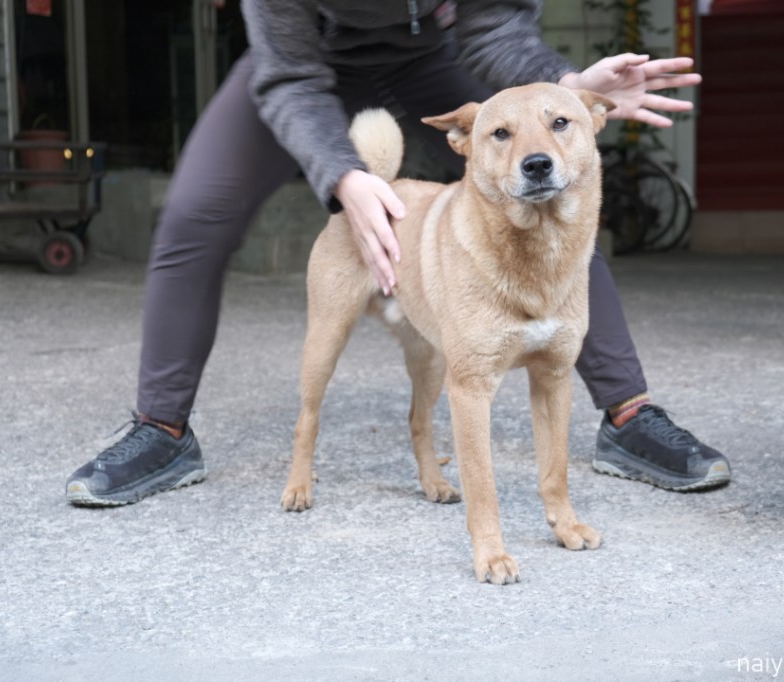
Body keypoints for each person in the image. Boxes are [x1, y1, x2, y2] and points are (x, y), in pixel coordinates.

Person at [65, 0, 731, 507]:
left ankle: (628, 413)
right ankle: (163, 428)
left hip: (429, 55)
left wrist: (563, 85)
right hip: (305, 63)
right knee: (194, 215)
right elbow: (290, 75)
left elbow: (495, 23)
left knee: (547, 207)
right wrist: (343, 176)